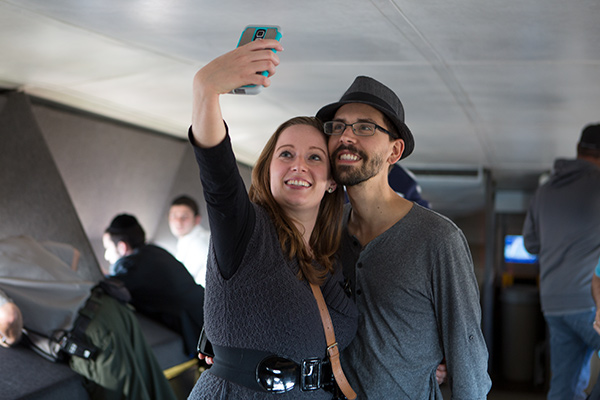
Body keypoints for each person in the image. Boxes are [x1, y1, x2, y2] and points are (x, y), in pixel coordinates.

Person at [187, 39, 358, 399]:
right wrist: (206, 89)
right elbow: (217, 179)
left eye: (314, 157)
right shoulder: (247, 232)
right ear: (267, 171)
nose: (298, 164)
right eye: (286, 154)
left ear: (330, 183)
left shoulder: (334, 259)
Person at [315, 76, 491, 398]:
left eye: (365, 127)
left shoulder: (438, 239)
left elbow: (467, 355)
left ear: (394, 151)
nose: (346, 137)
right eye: (338, 127)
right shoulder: (326, 231)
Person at [0, 235, 176, 400]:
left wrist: (10, 339)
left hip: (91, 333)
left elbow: (10, 316)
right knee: (155, 387)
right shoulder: (18, 241)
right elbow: (72, 253)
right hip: (110, 305)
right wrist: (65, 293)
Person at [523, 123, 600, 400]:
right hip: (591, 303)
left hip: (554, 304)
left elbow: (531, 244)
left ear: (579, 150)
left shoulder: (544, 192)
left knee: (564, 387)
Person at [103, 213, 205, 356]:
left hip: (192, 329)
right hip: (205, 310)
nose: (106, 256)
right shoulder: (155, 250)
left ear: (122, 247)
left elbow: (113, 287)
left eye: (107, 249)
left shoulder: (129, 265)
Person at [168, 194, 211, 287]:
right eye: (174, 216)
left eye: (184, 217)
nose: (178, 221)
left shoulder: (199, 243)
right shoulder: (186, 241)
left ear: (197, 219)